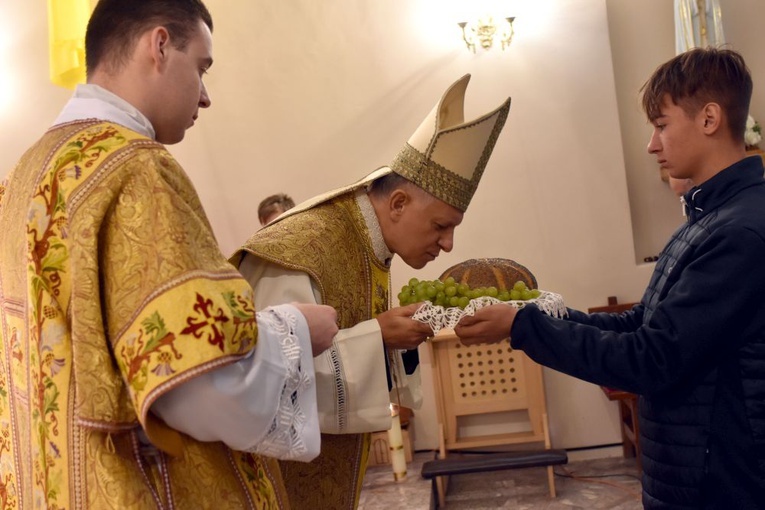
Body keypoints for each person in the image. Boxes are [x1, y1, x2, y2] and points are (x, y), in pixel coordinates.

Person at [0, 1, 339, 508]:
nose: (205, 97)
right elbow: (197, 385)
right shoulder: (135, 170)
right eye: (202, 67)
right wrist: (293, 331)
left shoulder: (23, 175)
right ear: (159, 45)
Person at [454, 47, 765, 509]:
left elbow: (652, 358)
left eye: (661, 125)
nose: (652, 145)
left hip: (719, 482)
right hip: (690, 471)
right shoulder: (708, 220)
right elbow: (643, 323)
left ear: (710, 119)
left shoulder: (740, 230)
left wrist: (521, 329)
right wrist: (532, 315)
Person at [230, 74, 512, 509]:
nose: (449, 244)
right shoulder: (298, 249)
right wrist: (377, 336)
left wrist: (396, 335)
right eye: (441, 226)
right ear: (398, 203)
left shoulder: (370, 241)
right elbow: (260, 376)